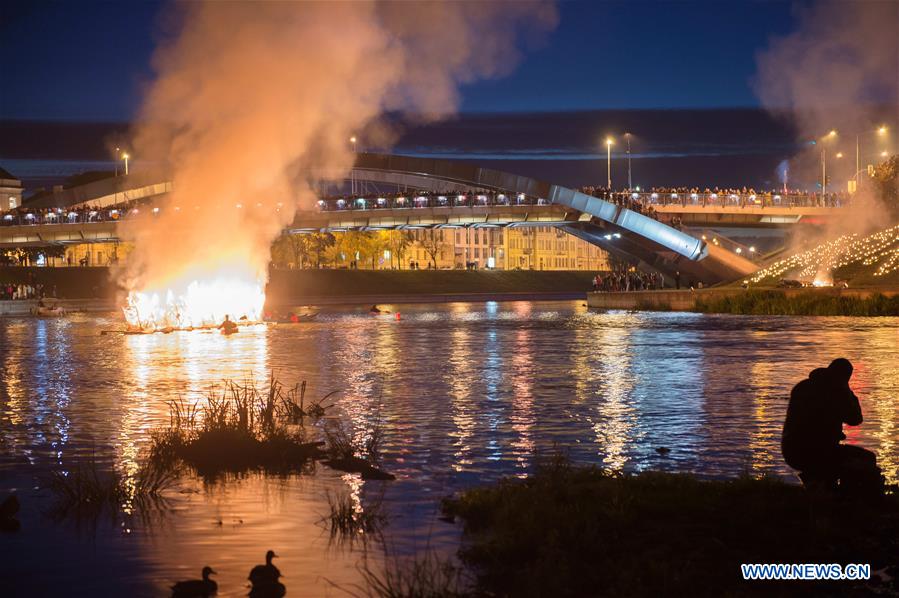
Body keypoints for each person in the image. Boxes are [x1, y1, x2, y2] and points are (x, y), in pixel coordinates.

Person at [782, 358, 883, 495]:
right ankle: (848, 498)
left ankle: (822, 484)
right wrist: (848, 391)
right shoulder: (837, 392)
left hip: (791, 451)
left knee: (833, 463)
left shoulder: (802, 386)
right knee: (866, 458)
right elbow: (855, 419)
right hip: (818, 452)